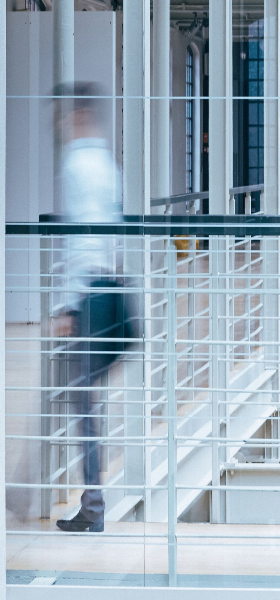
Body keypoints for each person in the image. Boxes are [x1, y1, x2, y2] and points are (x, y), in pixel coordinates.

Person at [51, 82, 127, 534]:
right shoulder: (105, 163)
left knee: (81, 399)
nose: (61, 124)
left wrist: (67, 305)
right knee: (82, 398)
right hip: (109, 290)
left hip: (89, 295)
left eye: (64, 115)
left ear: (76, 115)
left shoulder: (78, 164)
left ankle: (93, 505)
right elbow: (110, 233)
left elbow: (80, 239)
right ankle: (91, 501)